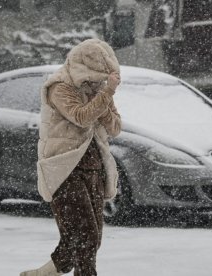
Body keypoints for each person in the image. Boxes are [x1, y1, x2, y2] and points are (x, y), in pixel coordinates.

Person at [20, 39, 122, 276]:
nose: (97, 82)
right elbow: (81, 117)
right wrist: (106, 93)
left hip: (94, 167)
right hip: (63, 168)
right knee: (85, 236)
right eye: (95, 77)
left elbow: (115, 127)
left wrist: (103, 97)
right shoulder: (60, 87)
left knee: (87, 239)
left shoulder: (98, 90)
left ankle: (42, 274)